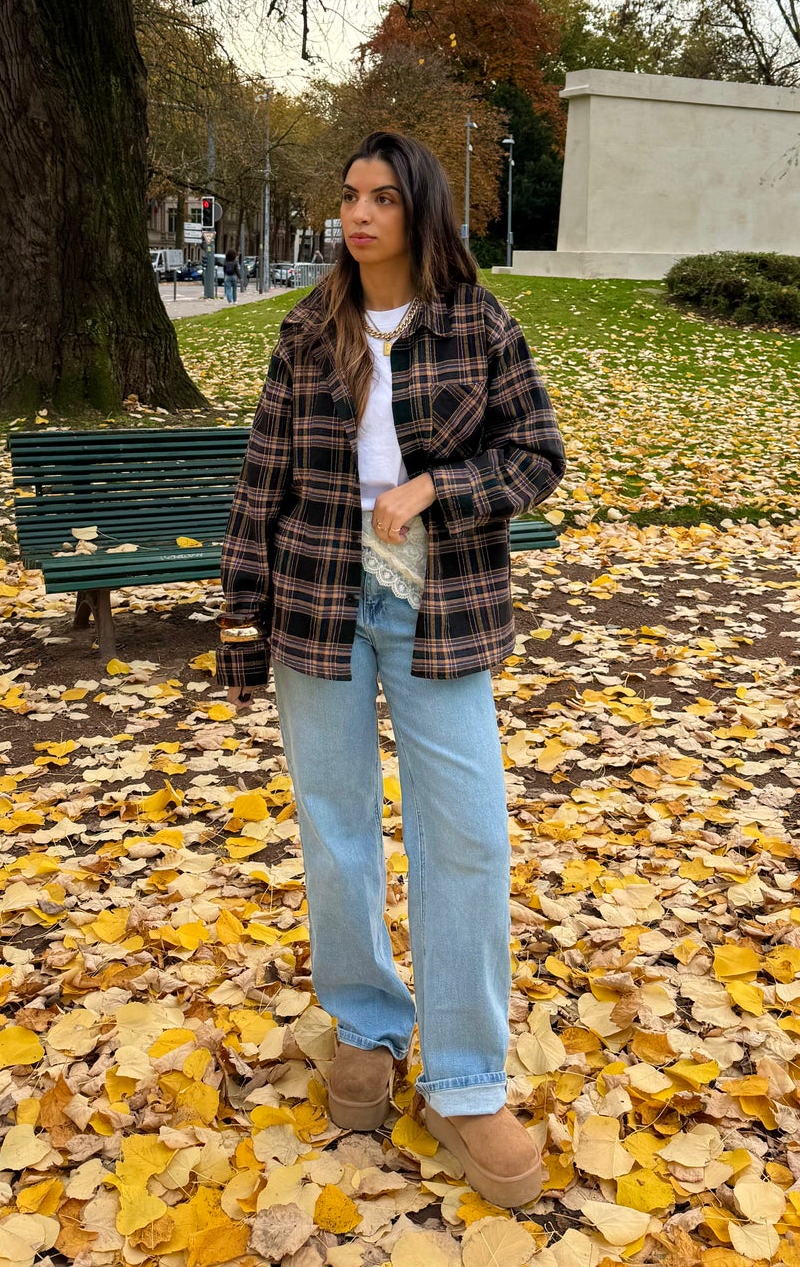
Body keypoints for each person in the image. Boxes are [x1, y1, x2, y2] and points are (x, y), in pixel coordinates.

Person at [218, 132, 564, 1208]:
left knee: (462, 829)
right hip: (316, 594)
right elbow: (261, 474)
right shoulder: (307, 327)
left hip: (437, 599)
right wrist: (239, 613)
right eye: (348, 195)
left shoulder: (476, 323)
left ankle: (466, 1079)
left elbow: (536, 455)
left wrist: (432, 489)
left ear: (419, 210)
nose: (356, 214)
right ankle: (365, 1022)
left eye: (380, 197)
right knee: (334, 825)